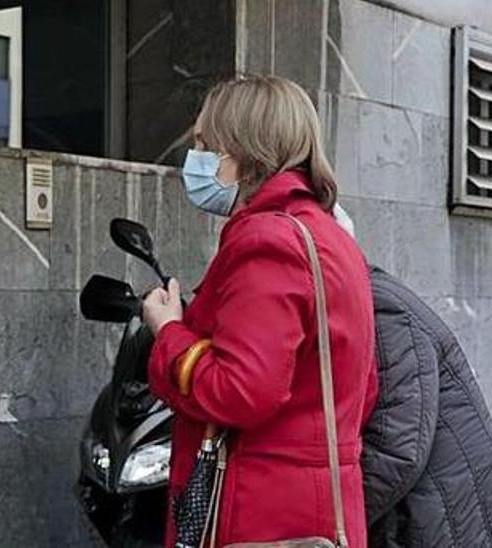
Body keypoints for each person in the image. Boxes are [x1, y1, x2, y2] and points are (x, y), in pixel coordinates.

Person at [141, 75, 378, 546]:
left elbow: (240, 390)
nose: (197, 159)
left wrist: (168, 331)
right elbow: (363, 385)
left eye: (205, 144)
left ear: (241, 151)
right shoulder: (329, 235)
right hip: (319, 506)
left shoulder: (267, 239)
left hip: (259, 511)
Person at [361, 265, 492, 547]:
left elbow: (398, 449)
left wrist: (334, 521)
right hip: (449, 510)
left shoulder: (381, 308)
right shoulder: (381, 299)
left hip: (447, 516)